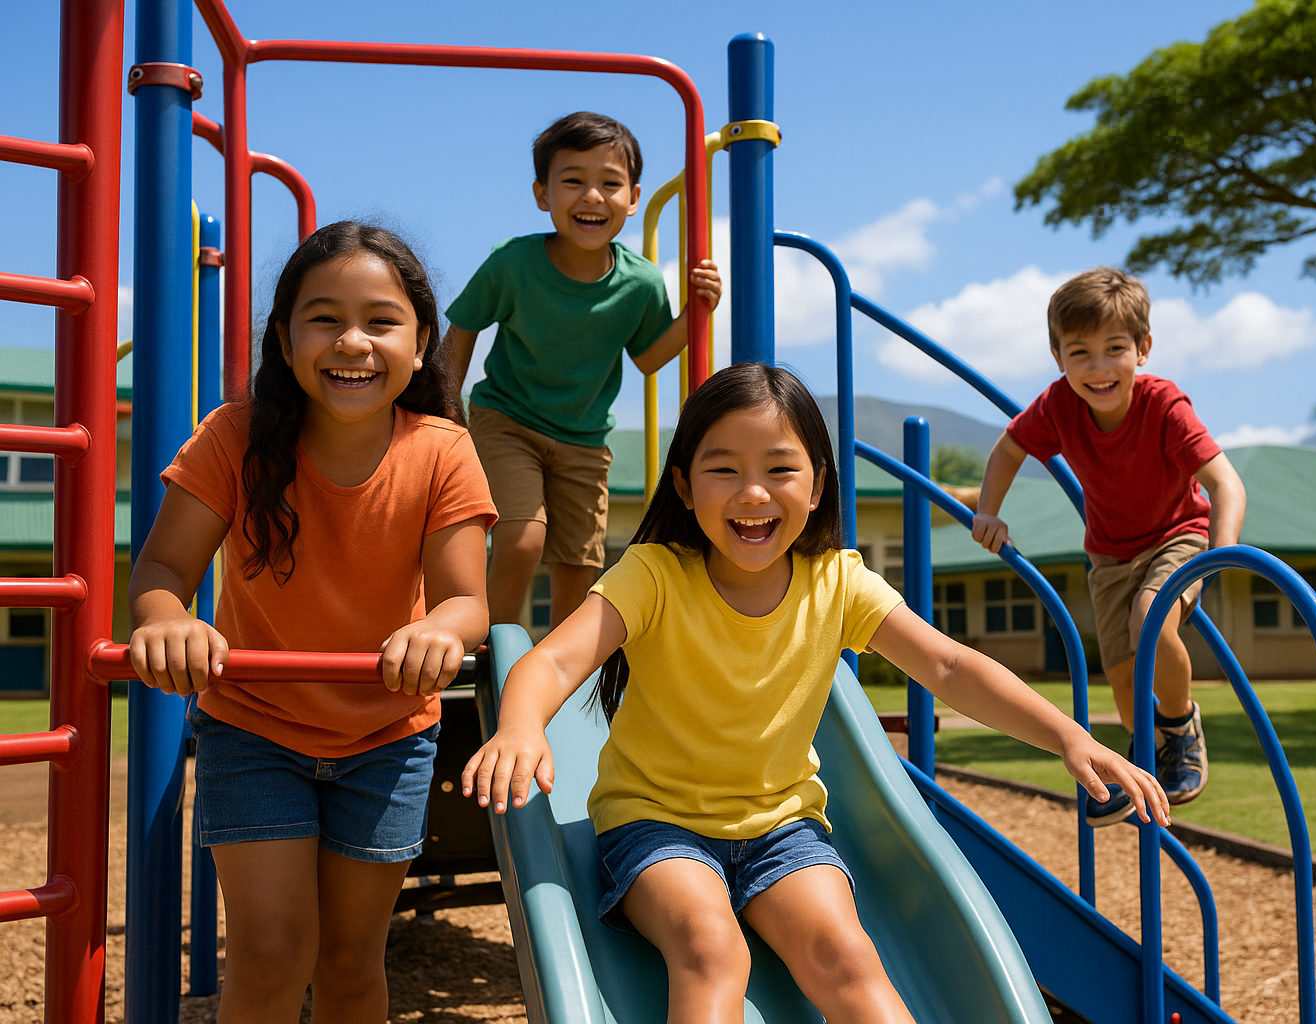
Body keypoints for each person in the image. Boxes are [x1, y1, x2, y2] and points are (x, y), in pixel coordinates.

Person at [463, 362, 1169, 1022]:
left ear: (819, 484)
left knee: (848, 956)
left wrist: (1069, 736)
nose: (753, 493)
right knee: (711, 949)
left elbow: (950, 667)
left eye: (779, 469)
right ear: (683, 485)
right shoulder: (654, 575)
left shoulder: (837, 582)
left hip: (783, 830)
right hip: (655, 824)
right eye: (723, 470)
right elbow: (552, 664)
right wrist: (522, 727)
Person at [126, 222, 498, 1023]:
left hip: (387, 737)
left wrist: (440, 628)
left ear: (422, 339)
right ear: (285, 339)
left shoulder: (442, 451)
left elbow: (467, 602)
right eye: (324, 318)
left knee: (349, 959)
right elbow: (161, 573)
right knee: (267, 954)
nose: (352, 342)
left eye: (381, 320)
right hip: (256, 728)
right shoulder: (234, 438)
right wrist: (168, 621)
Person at [971, 266, 1247, 826]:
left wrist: (1219, 554)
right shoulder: (1057, 407)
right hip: (1109, 556)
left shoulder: (1164, 405)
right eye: (1080, 353)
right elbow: (1007, 450)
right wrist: (988, 511)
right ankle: (1144, 761)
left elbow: (1225, 483)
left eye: (1114, 349)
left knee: (1152, 616)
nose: (1098, 369)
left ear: (1143, 349)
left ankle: (1181, 727)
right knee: (1122, 683)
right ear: (1059, 358)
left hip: (1180, 536)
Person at [442, 110, 723, 631]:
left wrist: (693, 315)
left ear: (633, 199)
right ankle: (487, 647)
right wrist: (444, 418)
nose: (592, 196)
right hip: (508, 420)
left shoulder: (640, 284)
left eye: (610, 184)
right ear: (542, 194)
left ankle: (563, 673)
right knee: (524, 538)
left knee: (581, 564)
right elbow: (460, 331)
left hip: (584, 439)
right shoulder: (513, 264)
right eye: (573, 181)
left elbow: (649, 357)